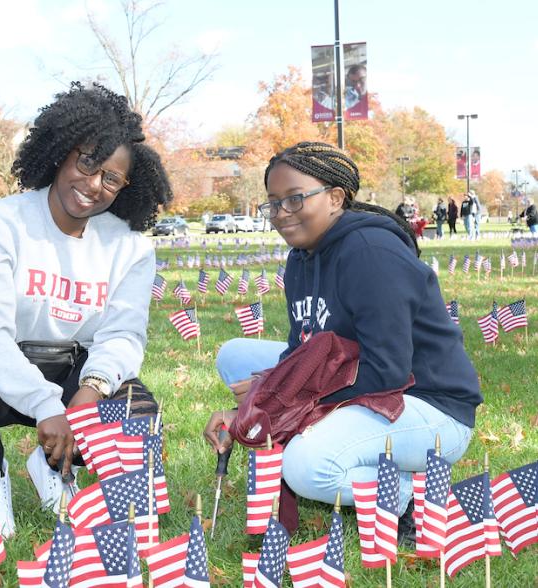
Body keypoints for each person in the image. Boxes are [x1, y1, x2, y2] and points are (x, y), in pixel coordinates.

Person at [204, 141, 481, 542]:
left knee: (303, 466)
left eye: (296, 199)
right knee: (235, 356)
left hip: (427, 403)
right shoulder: (302, 256)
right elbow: (300, 350)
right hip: (361, 383)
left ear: (335, 197)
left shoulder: (371, 252)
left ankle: (413, 496)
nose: (282, 214)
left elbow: (386, 371)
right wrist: (252, 404)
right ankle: (384, 467)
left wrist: (274, 405)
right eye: (273, 203)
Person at [0, 82, 172, 537]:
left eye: (112, 178)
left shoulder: (129, 247)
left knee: (136, 408)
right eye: (87, 162)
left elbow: (123, 337)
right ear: (62, 151)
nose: (94, 184)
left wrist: (88, 394)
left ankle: (57, 467)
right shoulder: (0, 223)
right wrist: (46, 406)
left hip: (74, 369)